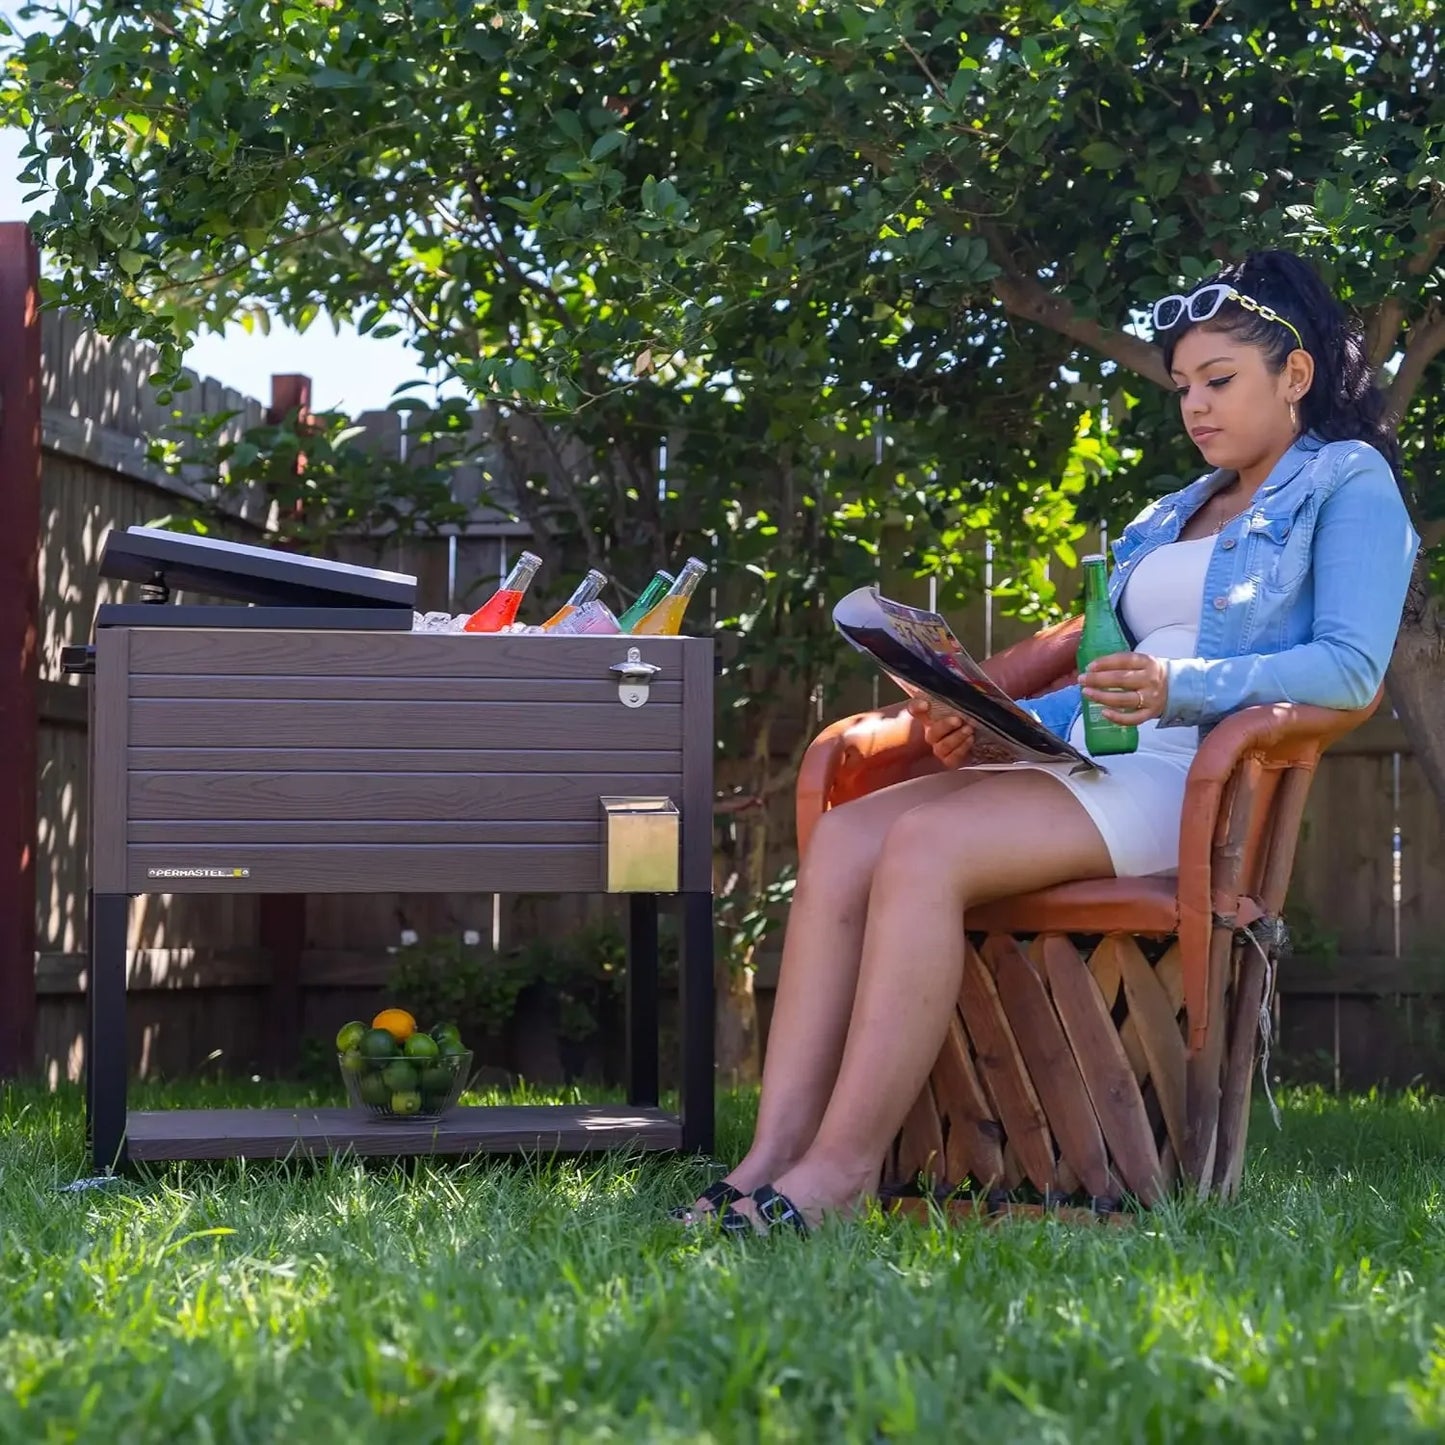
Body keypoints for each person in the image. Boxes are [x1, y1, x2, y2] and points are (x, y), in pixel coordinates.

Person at [675, 249, 1420, 1236]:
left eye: (1218, 381)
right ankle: (768, 1156)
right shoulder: (1169, 514)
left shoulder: (1346, 482)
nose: (1194, 406)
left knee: (924, 847)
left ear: (1294, 375)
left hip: (1184, 773)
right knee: (852, 832)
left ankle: (840, 1176)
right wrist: (994, 720)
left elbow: (1347, 670)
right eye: (1182, 386)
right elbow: (1098, 664)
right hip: (1092, 758)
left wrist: (1178, 685)